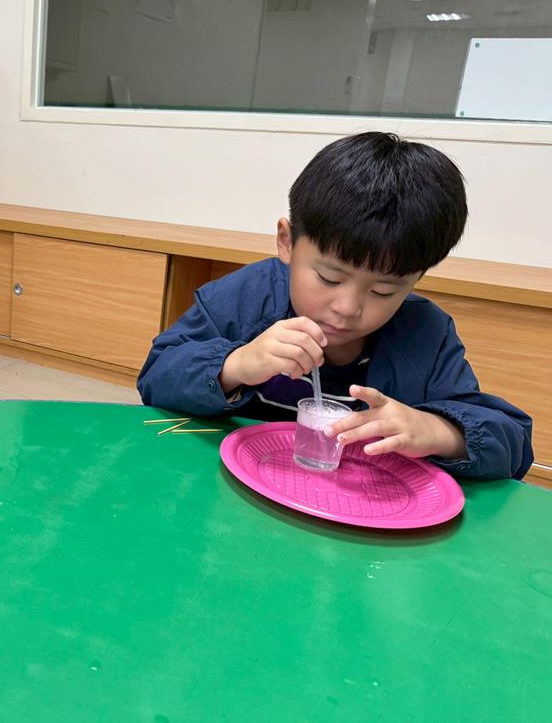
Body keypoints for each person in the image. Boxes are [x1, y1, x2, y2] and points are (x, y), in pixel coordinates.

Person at [137, 132, 533, 480]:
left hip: (359, 510)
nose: (347, 308)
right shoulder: (246, 298)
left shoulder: (425, 334)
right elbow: (157, 378)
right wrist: (236, 365)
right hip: (237, 489)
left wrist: (439, 432)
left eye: (384, 291)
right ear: (287, 242)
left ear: (416, 278)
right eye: (329, 277)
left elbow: (512, 443)